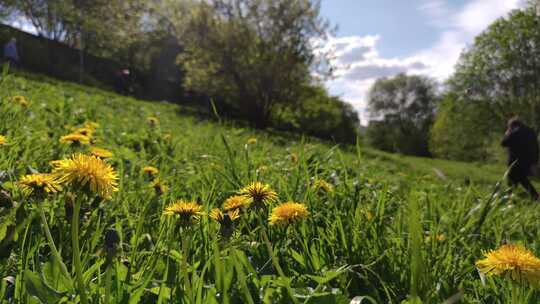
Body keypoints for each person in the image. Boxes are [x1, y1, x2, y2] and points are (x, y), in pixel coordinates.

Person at [501, 117, 539, 200]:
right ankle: (535, 196)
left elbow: (504, 143)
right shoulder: (531, 132)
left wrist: (507, 133)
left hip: (514, 161)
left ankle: (509, 198)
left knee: (511, 179)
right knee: (522, 179)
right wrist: (534, 162)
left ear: (512, 126)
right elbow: (536, 147)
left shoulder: (514, 132)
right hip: (527, 161)